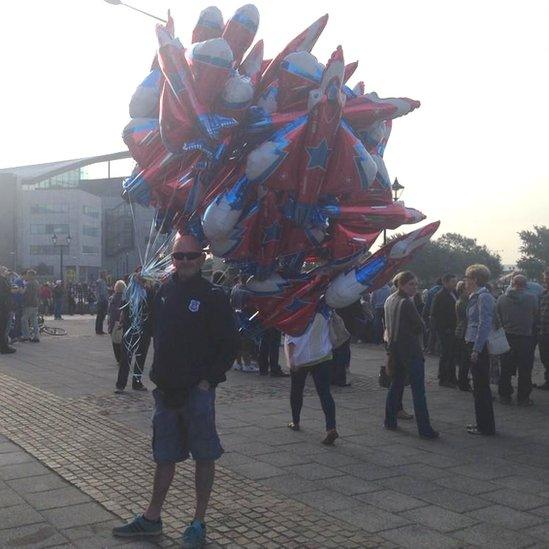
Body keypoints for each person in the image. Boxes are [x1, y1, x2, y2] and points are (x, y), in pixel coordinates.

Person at [112, 234, 238, 547]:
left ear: (202, 258)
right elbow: (149, 328)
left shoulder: (214, 296)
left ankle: (198, 522)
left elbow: (230, 344)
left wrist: (209, 379)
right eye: (179, 256)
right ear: (172, 260)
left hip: (197, 390)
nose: (184, 262)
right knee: (164, 455)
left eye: (191, 256)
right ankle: (152, 518)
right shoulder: (165, 291)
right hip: (166, 389)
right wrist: (138, 293)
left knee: (203, 455)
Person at [384, 271, 439, 439]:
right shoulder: (406, 302)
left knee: (396, 385)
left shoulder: (389, 299)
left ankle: (390, 420)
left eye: (416, 284)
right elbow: (419, 325)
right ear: (401, 284)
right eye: (411, 284)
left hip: (394, 347)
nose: (414, 288)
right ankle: (424, 428)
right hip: (410, 349)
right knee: (418, 390)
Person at [285, 306, 339, 445]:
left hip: (301, 358)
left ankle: (295, 421)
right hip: (323, 355)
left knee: (297, 391)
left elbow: (291, 337)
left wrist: (290, 359)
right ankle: (331, 427)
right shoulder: (325, 309)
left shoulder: (296, 310)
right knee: (325, 393)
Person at [464, 264, 496, 436]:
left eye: (467, 278)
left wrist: (476, 349)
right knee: (478, 386)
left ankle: (485, 426)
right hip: (474, 342)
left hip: (478, 344)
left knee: (481, 386)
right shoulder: (476, 296)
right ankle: (482, 423)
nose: (465, 281)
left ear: (475, 279)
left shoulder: (483, 297)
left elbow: (484, 324)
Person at [496, 274, 537, 406]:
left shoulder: (501, 299)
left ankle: (505, 395)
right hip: (526, 338)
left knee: (506, 368)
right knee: (525, 369)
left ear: (512, 283)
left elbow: (498, 316)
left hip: (507, 337)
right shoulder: (532, 298)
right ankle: (523, 397)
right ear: (525, 285)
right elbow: (535, 314)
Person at [114, 276, 154, 393]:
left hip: (144, 329)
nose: (141, 281)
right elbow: (124, 308)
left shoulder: (149, 292)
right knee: (126, 357)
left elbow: (153, 309)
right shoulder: (130, 292)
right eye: (139, 278)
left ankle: (137, 383)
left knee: (140, 357)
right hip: (130, 328)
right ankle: (121, 384)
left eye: (143, 279)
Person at [431, 274, 458, 387]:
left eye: (455, 282)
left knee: (451, 354)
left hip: (453, 328)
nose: (455, 284)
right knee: (446, 354)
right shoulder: (440, 295)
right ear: (445, 282)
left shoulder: (453, 293)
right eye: (452, 282)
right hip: (445, 330)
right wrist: (443, 328)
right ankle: (444, 378)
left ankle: (452, 377)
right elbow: (436, 314)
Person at [454, 280, 471, 391]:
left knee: (464, 359)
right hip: (464, 331)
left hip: (461, 330)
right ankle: (463, 382)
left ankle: (463, 381)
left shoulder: (460, 300)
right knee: (465, 359)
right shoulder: (463, 302)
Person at [107, 280, 126, 365]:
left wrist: (110, 326)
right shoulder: (125, 298)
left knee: (115, 341)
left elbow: (110, 312)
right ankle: (123, 357)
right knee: (123, 341)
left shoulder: (113, 298)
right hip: (122, 322)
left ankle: (118, 358)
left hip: (114, 322)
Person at [537, 268, 549, 390]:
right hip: (543, 331)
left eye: (546, 278)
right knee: (545, 358)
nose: (545, 280)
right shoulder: (544, 294)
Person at [423, 278, 442, 354]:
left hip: (430, 313)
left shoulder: (431, 290)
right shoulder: (443, 291)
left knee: (431, 331)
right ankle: (438, 349)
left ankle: (429, 348)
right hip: (440, 314)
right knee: (438, 332)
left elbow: (427, 303)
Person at [21, 269, 40, 343]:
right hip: (35, 303)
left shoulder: (28, 284)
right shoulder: (36, 283)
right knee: (34, 320)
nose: (27, 276)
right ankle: (36, 336)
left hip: (29, 304)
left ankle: (26, 336)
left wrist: (20, 290)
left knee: (24, 319)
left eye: (28, 274)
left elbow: (25, 293)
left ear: (31, 275)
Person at [0, 266, 16, 354]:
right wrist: (11, 291)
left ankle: (4, 346)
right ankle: (4, 347)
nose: (7, 271)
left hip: (4, 307)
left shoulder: (4, 280)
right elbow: (3, 294)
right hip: (4, 307)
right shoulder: (2, 281)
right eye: (5, 270)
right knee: (3, 328)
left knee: (3, 328)